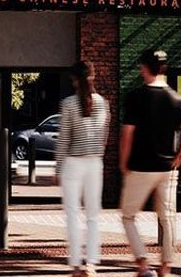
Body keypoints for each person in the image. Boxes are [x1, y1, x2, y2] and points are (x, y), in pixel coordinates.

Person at [119, 49, 181, 277]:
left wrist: (123, 163)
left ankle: (143, 264)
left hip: (141, 166)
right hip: (168, 168)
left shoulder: (135, 97)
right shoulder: (176, 98)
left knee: (128, 216)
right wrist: (178, 160)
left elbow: (128, 134)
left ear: (144, 68)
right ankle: (166, 268)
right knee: (167, 217)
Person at [56, 60, 108, 277]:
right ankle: (92, 263)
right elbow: (104, 136)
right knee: (93, 215)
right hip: (95, 162)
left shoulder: (68, 104)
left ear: (74, 80)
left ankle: (76, 265)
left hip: (73, 163)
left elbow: (64, 138)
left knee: (72, 214)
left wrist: (58, 168)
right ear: (92, 77)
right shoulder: (102, 103)